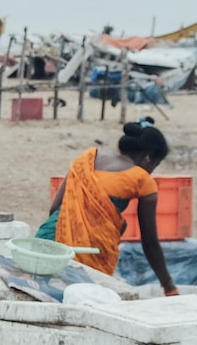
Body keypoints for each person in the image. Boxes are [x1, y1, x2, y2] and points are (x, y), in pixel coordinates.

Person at [39, 119, 179, 294]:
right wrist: (168, 286)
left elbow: (55, 209)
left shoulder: (86, 159)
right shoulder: (142, 180)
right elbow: (150, 243)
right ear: (148, 158)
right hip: (83, 258)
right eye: (155, 166)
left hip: (44, 242)